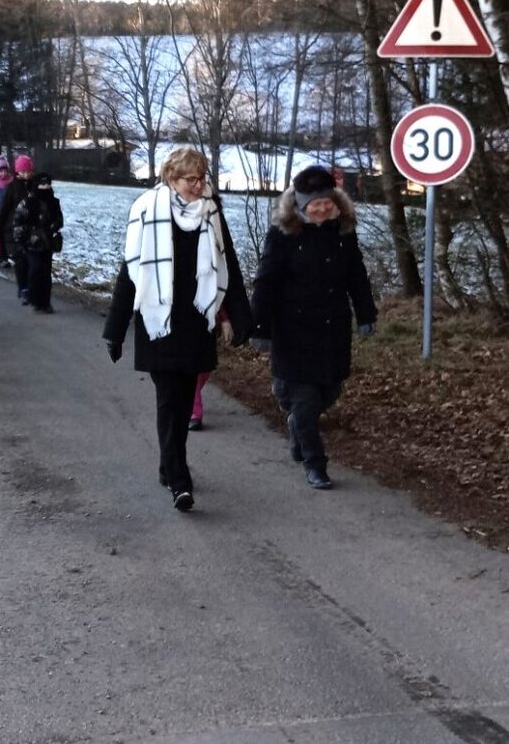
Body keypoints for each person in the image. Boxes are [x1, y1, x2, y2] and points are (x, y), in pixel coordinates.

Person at [102, 147, 252, 513]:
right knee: (169, 401)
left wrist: (239, 317)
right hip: (159, 322)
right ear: (171, 178)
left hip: (196, 321)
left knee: (183, 404)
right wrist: (115, 330)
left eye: (202, 178)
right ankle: (179, 480)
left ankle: (167, 464)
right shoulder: (147, 210)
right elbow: (130, 270)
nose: (199, 186)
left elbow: (227, 264)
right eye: (191, 179)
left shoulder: (211, 213)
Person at [250, 164, 377, 491]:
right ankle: (315, 463)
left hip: (333, 328)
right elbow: (266, 281)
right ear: (301, 205)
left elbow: (356, 276)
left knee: (329, 391)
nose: (321, 209)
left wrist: (366, 314)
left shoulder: (343, 232)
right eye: (314, 204)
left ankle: (295, 420)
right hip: (293, 330)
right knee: (305, 401)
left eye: (326, 203)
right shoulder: (283, 234)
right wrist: (259, 326)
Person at [11, 171, 64, 314]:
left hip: (47, 243)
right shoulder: (27, 202)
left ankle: (45, 302)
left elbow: (59, 220)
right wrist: (26, 236)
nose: (45, 186)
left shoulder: (54, 202)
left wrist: (53, 227)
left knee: (46, 273)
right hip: (31, 243)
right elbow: (17, 222)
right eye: (42, 183)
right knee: (35, 269)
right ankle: (34, 299)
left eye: (47, 184)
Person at [0, 155, 36, 303]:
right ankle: (23, 288)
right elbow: (3, 210)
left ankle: (30, 288)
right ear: (17, 171)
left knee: (32, 262)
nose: (26, 174)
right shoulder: (12, 187)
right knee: (21, 261)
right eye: (23, 171)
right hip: (14, 231)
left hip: (32, 230)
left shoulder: (35, 186)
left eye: (28, 171)